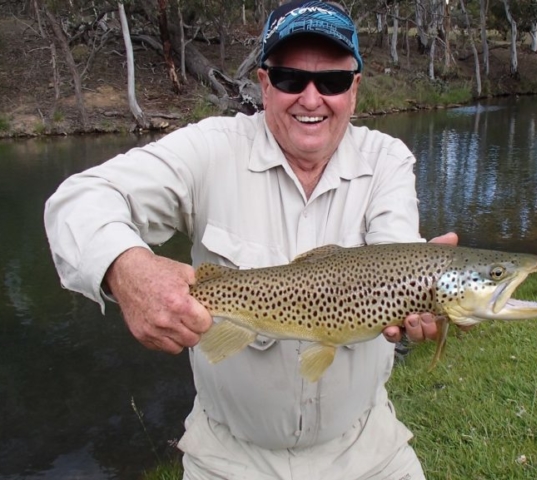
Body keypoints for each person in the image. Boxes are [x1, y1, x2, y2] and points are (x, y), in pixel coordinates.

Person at [44, 1, 457, 478]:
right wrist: (125, 268)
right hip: (228, 459)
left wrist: (425, 294)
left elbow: (394, 249)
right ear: (264, 83)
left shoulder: (388, 161)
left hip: (367, 450)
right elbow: (77, 200)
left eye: (332, 82)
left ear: (355, 90)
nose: (310, 97)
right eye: (289, 78)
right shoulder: (209, 149)